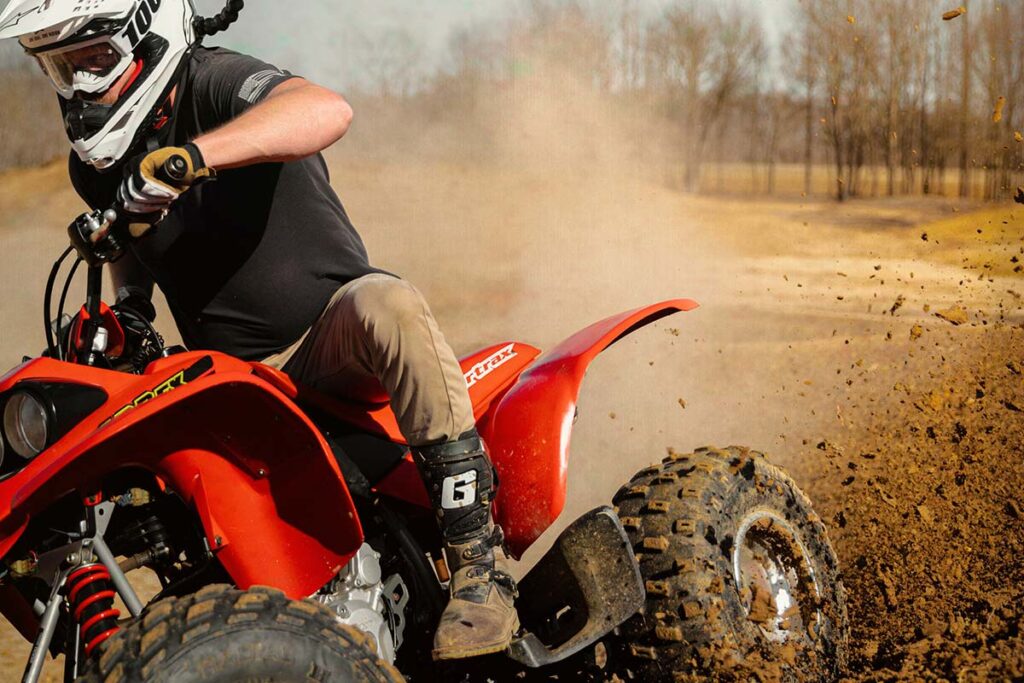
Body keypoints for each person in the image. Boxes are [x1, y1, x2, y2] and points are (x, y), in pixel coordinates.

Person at [0, 0, 517, 660]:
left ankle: (480, 568)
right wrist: (131, 305)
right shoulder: (92, 165)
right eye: (58, 66)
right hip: (225, 377)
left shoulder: (211, 80)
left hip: (326, 338)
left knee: (390, 303)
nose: (76, 85)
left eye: (90, 59)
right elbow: (133, 234)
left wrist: (187, 159)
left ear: (142, 35)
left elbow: (327, 110)